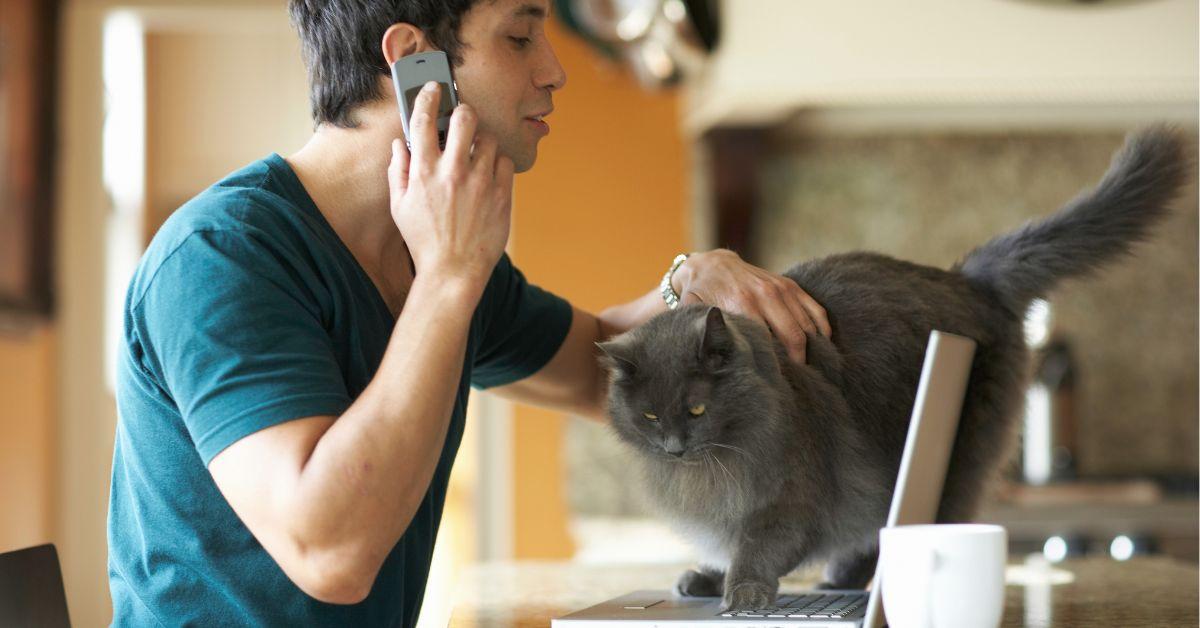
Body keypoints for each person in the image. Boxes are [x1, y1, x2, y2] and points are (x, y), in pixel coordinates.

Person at [106, 0, 831, 625]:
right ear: (415, 64)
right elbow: (331, 551)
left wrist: (688, 278)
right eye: (520, 37)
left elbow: (595, 369)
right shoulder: (223, 257)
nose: (555, 69)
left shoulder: (434, 254)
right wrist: (451, 276)